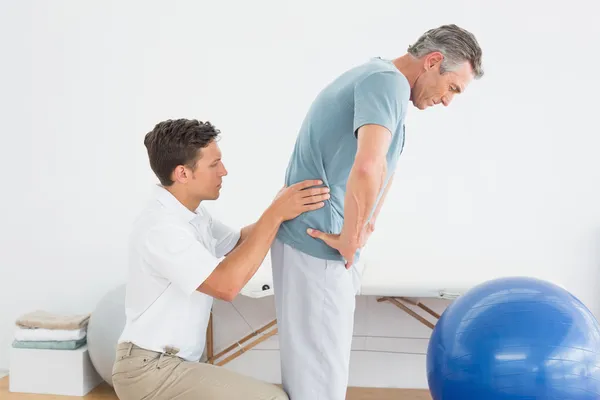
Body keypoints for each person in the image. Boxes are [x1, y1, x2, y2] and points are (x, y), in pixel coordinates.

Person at [271, 24, 484, 400]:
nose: (448, 101)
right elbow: (368, 166)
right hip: (319, 244)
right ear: (433, 61)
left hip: (315, 241)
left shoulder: (381, 79)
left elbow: (382, 167)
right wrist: (350, 238)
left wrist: (365, 226)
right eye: (452, 88)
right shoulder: (387, 83)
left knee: (313, 368)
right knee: (319, 377)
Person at [111, 118, 329, 400]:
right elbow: (226, 285)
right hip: (150, 370)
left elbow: (240, 241)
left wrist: (283, 208)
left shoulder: (192, 215)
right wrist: (276, 213)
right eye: (214, 164)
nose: (224, 171)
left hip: (172, 364)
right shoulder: (161, 227)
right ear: (183, 174)